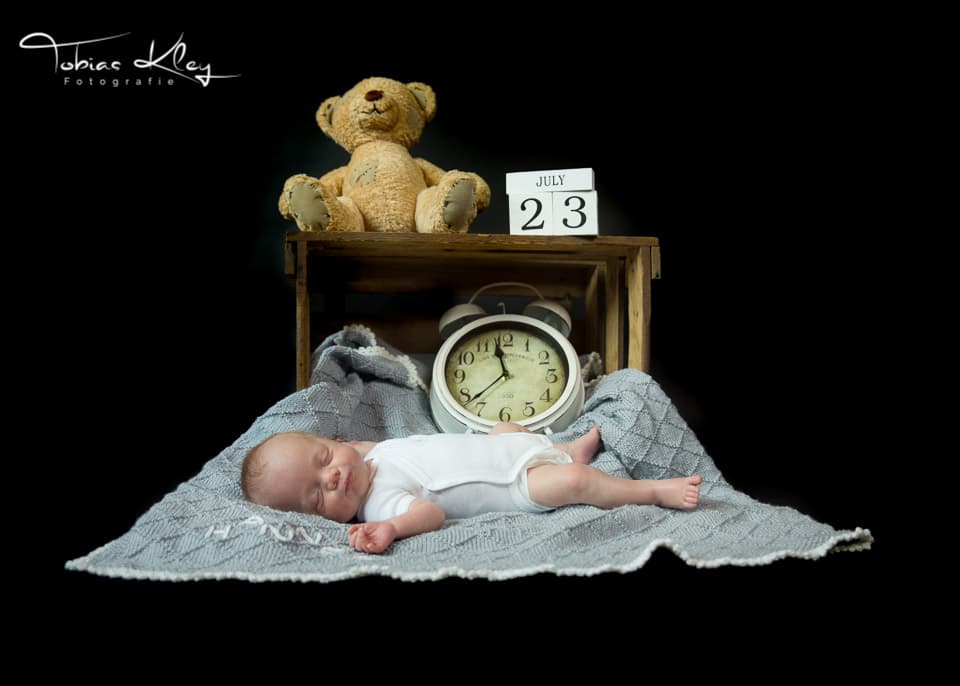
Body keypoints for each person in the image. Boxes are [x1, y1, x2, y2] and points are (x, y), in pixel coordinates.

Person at [241, 423, 702, 554]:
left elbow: (359, 449)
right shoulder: (380, 503)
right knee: (575, 483)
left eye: (324, 458)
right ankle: (652, 491)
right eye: (316, 496)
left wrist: (353, 449)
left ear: (335, 441)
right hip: (516, 484)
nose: (332, 477)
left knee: (505, 427)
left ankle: (564, 448)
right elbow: (431, 514)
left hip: (504, 448)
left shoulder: (373, 455)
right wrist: (392, 529)